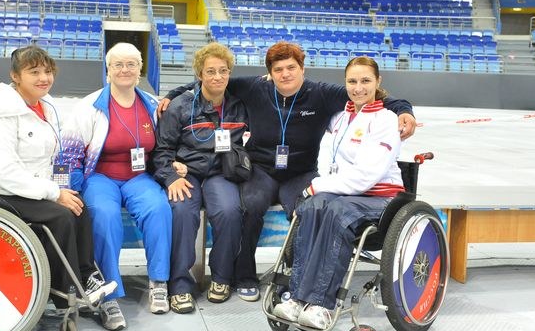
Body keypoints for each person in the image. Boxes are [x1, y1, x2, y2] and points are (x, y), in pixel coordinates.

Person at [159, 41, 416, 303]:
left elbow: (369, 94)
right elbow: (212, 82)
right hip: (260, 169)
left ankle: (296, 276)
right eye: (278, 69)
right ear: (270, 73)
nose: (285, 74)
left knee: (306, 210)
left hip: (300, 172)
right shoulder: (256, 88)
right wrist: (172, 95)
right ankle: (244, 275)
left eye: (291, 67)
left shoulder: (321, 93)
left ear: (302, 68)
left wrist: (404, 110)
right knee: (250, 205)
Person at [0, 45, 117, 331]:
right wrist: (53, 193)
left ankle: (87, 276)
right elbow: (4, 172)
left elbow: (49, 157)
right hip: (0, 191)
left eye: (48, 71)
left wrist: (61, 188)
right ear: (15, 76)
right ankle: (64, 294)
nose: (44, 78)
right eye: (34, 72)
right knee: (60, 217)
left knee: (78, 206)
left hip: (30, 185)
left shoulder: (44, 105)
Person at [272, 56, 405, 330]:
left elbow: (366, 177)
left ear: (378, 82)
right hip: (343, 193)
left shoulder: (385, 120)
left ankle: (321, 304)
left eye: (365, 81)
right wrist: (322, 186)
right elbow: (325, 161)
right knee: (312, 206)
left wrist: (319, 186)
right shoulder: (339, 118)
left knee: (335, 210)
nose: (358, 88)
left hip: (380, 197)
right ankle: (297, 298)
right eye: (352, 81)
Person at [62, 42, 172, 331]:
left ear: (140, 69)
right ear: (108, 70)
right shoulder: (88, 107)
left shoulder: (153, 105)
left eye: (131, 64)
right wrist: (72, 189)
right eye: (118, 65)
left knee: (158, 208)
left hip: (139, 177)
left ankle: (159, 281)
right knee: (104, 215)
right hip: (100, 176)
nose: (125, 70)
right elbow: (70, 155)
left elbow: (167, 145)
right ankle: (107, 295)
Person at [151, 42, 248, 313]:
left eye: (223, 71)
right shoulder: (179, 107)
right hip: (187, 173)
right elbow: (161, 150)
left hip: (221, 173)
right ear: (199, 74)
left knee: (229, 211)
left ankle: (222, 277)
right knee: (182, 211)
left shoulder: (240, 105)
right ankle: (179, 284)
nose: (217, 77)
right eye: (210, 71)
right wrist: (171, 176)